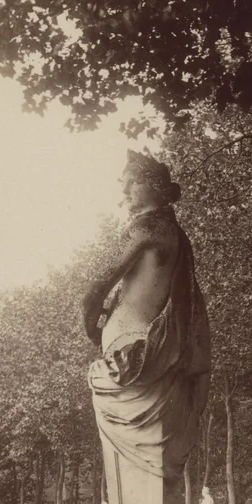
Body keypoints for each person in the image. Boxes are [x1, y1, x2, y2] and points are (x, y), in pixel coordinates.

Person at [83, 151, 211, 483]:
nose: (124, 192)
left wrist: (92, 328)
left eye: (130, 184)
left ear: (153, 186)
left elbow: (94, 290)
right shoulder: (179, 236)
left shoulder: (142, 229)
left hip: (130, 356)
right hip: (164, 354)